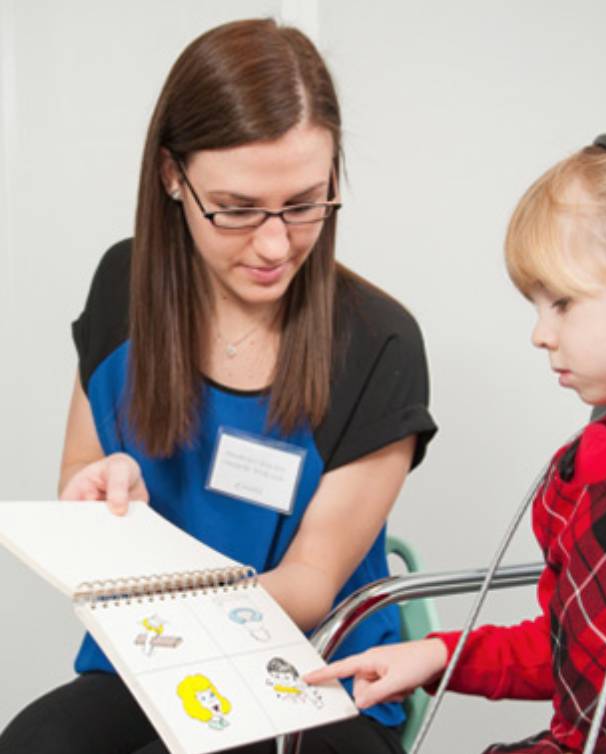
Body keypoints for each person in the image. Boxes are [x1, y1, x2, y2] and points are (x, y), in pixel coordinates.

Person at [0, 17, 436, 754]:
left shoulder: (378, 341)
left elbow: (308, 584)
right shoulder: (125, 287)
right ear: (173, 177)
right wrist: (95, 487)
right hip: (148, 664)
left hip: (316, 679)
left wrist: (156, 614)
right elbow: (79, 470)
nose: (275, 244)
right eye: (236, 210)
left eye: (304, 204)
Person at [306, 120, 606, 753]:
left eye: (562, 303)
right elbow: (578, 648)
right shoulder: (596, 456)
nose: (540, 334)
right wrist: (437, 655)